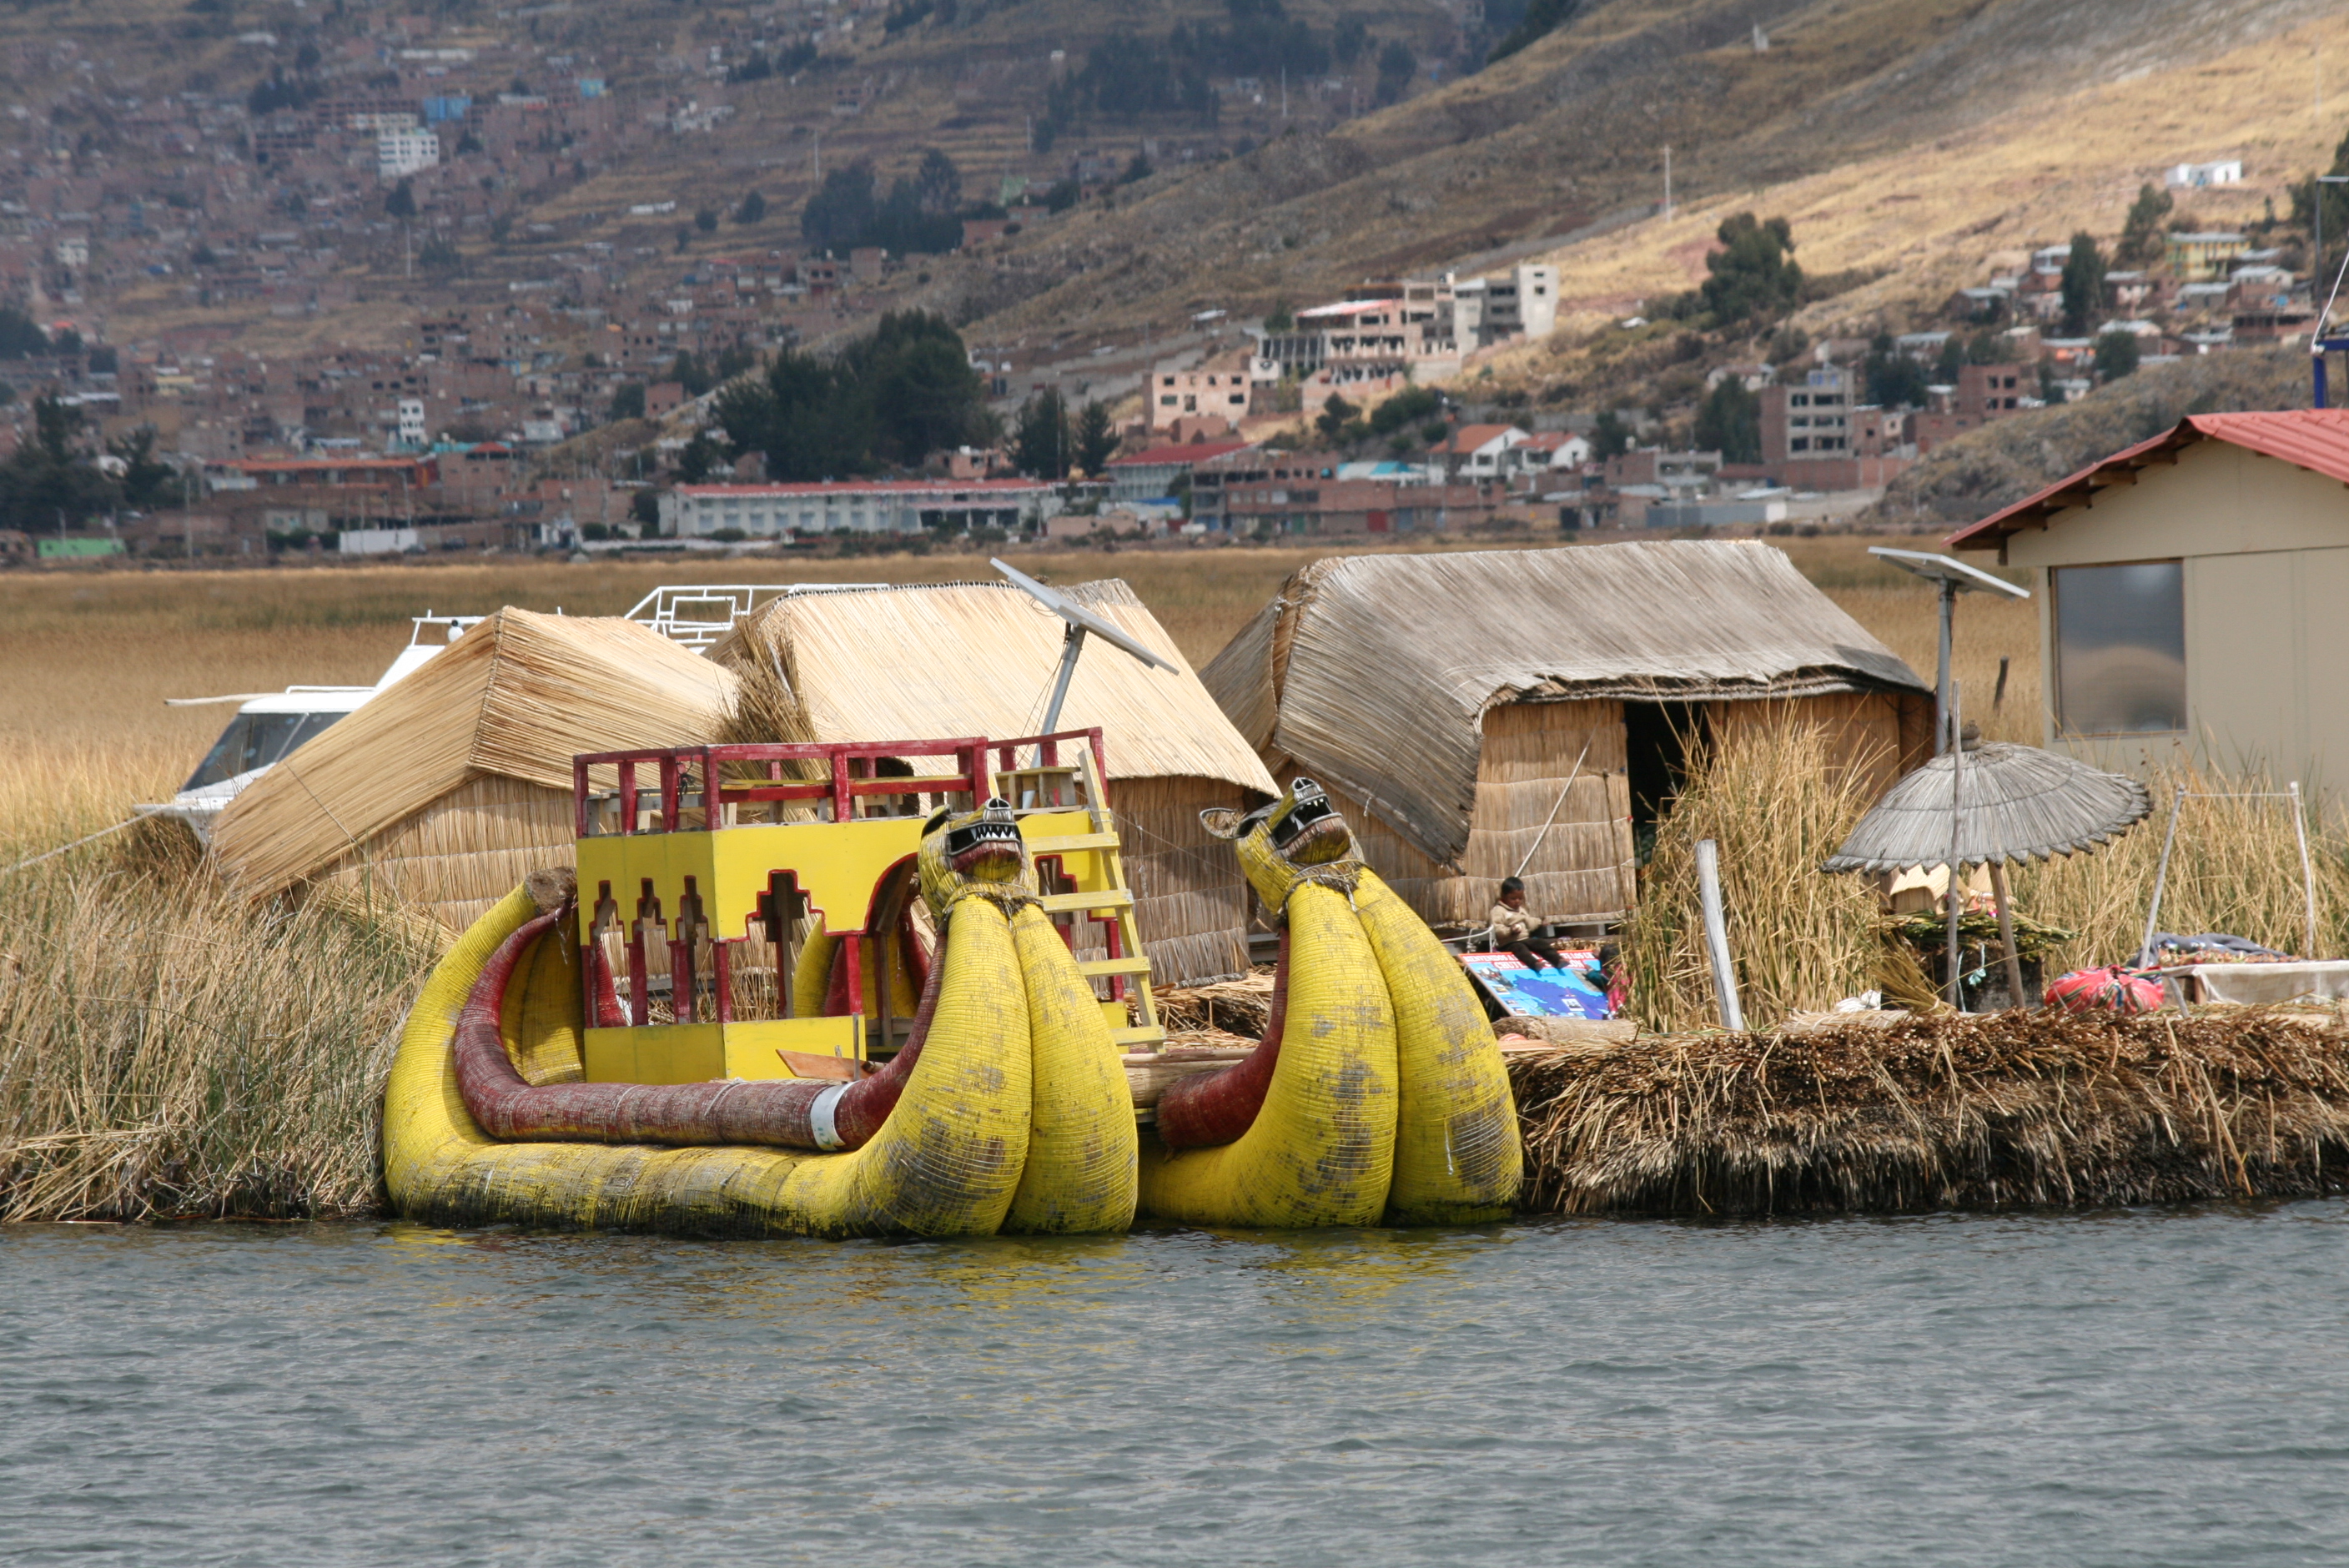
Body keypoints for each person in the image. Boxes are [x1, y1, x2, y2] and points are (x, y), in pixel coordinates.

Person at [1488, 877, 1565, 970]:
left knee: (1540, 943)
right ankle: (1534, 964)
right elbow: (1496, 928)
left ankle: (1558, 960)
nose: (1517, 901)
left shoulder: (1521, 911)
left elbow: (1530, 922)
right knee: (1520, 948)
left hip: (1525, 939)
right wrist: (1510, 930)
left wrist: (1540, 922)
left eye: (1520, 898)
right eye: (1513, 898)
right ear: (1504, 897)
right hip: (1508, 943)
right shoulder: (1499, 911)